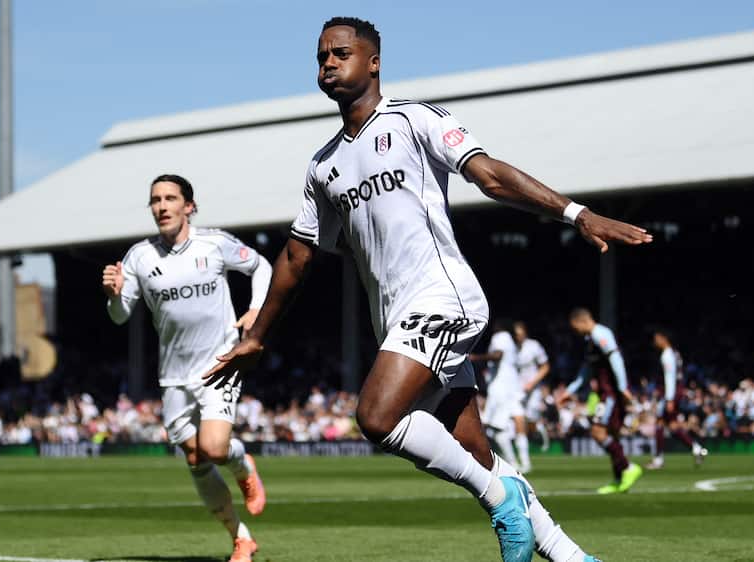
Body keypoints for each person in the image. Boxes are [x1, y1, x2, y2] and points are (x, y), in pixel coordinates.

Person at [206, 17, 651, 562]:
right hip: (397, 320)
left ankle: (501, 499)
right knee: (475, 450)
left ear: (374, 62)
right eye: (321, 56)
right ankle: (571, 556)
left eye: (341, 53)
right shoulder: (323, 166)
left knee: (376, 416)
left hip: (443, 298)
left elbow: (488, 175)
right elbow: (298, 256)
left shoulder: (416, 120)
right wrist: (257, 335)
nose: (328, 63)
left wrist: (576, 213)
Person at [102, 174, 272, 562]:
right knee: (195, 459)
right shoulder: (139, 257)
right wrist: (113, 295)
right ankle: (241, 538)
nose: (162, 206)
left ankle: (243, 465)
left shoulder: (214, 243)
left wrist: (256, 310)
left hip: (219, 362)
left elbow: (261, 266)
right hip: (174, 375)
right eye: (155, 200)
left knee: (214, 448)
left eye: (170, 198)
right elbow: (119, 315)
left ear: (189, 206)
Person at [560, 308, 643, 494]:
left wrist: (622, 388)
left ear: (581, 321)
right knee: (612, 435)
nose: (576, 332)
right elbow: (586, 370)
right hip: (607, 393)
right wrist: (570, 390)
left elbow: (616, 358)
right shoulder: (591, 341)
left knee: (598, 432)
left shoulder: (600, 334)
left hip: (611, 394)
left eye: (575, 327)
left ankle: (628, 467)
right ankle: (619, 480)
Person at [648, 329, 707, 469]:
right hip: (675, 393)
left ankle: (658, 459)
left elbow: (670, 377)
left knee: (659, 424)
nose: (655, 342)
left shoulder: (667, 355)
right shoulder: (675, 353)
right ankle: (697, 449)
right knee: (672, 426)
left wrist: (669, 399)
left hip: (670, 394)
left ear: (664, 338)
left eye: (657, 338)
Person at [471, 320, 525, 473]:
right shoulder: (510, 340)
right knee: (503, 426)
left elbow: (498, 355)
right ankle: (522, 461)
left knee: (496, 427)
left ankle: (512, 463)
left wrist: (476, 358)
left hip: (500, 387)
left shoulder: (500, 337)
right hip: (511, 386)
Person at [514, 321, 551, 473]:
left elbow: (545, 367)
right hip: (516, 392)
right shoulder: (510, 347)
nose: (518, 337)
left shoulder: (534, 346)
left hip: (533, 391)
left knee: (530, 422)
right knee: (518, 422)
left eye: (520, 334)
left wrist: (532, 383)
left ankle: (538, 428)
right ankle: (524, 462)